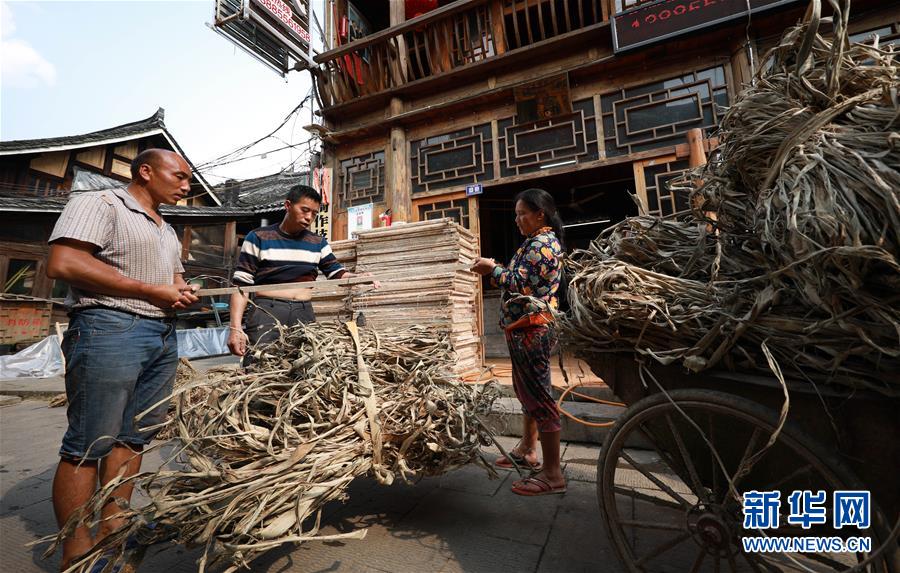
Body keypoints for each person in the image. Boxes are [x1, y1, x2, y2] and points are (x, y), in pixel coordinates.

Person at [46, 148, 200, 569]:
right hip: (109, 327)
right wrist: (149, 290)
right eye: (180, 176)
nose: (187, 186)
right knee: (88, 443)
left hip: (161, 334)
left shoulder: (166, 228)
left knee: (133, 437)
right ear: (145, 171)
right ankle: (76, 552)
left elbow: (173, 279)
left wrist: (181, 291)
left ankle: (113, 530)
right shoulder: (100, 203)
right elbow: (63, 262)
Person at [471, 188, 566, 496]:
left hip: (532, 330)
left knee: (540, 396)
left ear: (540, 214)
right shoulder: (534, 242)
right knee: (527, 392)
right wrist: (499, 269)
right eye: (516, 214)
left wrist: (492, 269)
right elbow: (520, 277)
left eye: (522, 214)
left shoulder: (542, 244)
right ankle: (527, 449)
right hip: (522, 329)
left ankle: (552, 474)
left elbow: (520, 284)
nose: (517, 220)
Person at [227, 184, 365, 358]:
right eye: (305, 210)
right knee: (261, 364)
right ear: (288, 205)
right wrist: (235, 328)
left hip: (303, 311)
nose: (309, 217)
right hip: (267, 311)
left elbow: (337, 273)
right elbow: (241, 286)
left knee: (305, 366)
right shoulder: (258, 237)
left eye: (314, 214)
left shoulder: (318, 243)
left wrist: (359, 278)